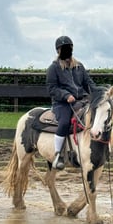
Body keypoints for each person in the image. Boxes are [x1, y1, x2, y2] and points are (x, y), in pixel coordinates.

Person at [46, 36, 96, 170]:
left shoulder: (79, 67)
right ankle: (58, 155)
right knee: (64, 122)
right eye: (64, 48)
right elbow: (52, 88)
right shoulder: (54, 68)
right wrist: (66, 95)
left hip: (81, 101)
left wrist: (98, 93)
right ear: (58, 50)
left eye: (69, 48)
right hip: (62, 103)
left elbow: (88, 83)